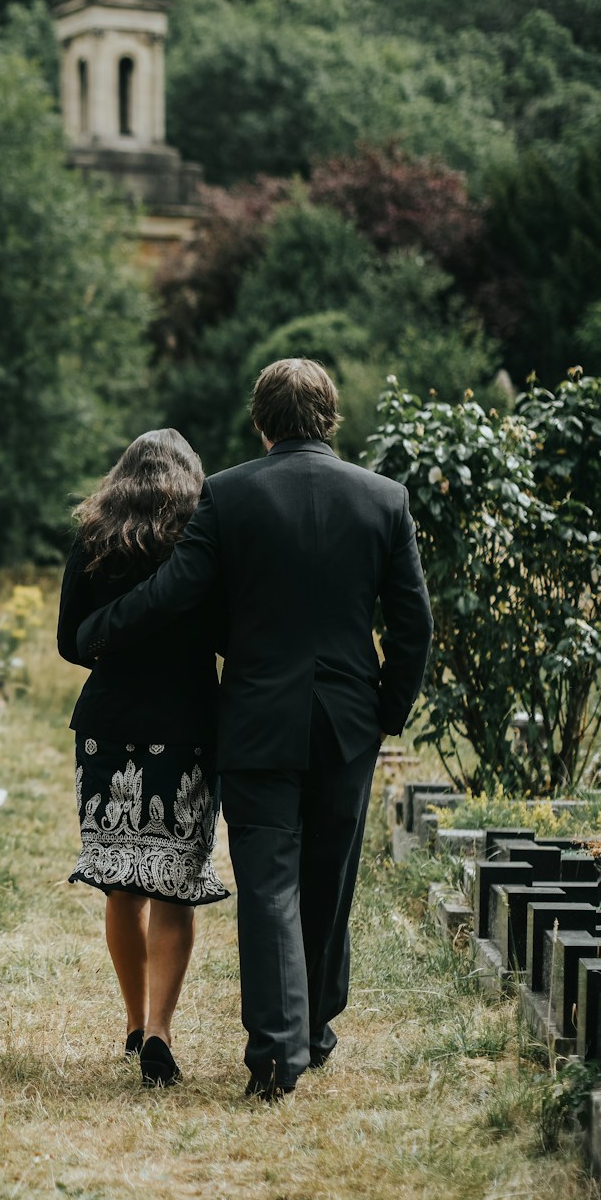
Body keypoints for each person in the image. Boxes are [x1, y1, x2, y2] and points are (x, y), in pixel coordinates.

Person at [76, 360, 431, 1101]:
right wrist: (384, 712)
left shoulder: (229, 495)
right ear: (330, 417)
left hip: (258, 720)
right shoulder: (385, 499)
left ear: (261, 422)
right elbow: (413, 626)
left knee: (268, 883)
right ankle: (315, 1029)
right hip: (348, 722)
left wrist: (100, 628)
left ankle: (275, 1057)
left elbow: (176, 591)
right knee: (330, 878)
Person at [57, 428, 228, 1089]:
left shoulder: (96, 532)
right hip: (185, 724)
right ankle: (161, 1029)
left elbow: (72, 641)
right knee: (174, 885)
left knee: (121, 885)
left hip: (107, 726)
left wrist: (116, 646)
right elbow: (223, 633)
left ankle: (132, 1022)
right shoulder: (202, 537)